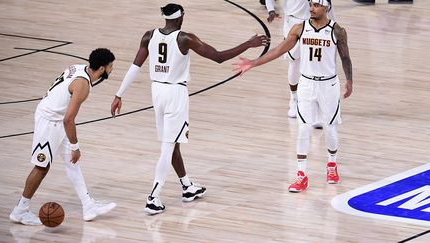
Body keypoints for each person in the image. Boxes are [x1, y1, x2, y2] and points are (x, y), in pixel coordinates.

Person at [110, 3, 269, 215]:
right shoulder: (185, 38)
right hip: (175, 94)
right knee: (168, 146)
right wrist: (248, 44)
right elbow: (219, 57)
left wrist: (119, 94)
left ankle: (187, 186)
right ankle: (153, 198)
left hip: (156, 92)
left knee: (172, 143)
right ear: (181, 17)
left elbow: (134, 67)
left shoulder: (149, 35)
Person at [234, 0, 353, 192]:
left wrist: (349, 81)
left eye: (316, 5)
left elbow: (346, 57)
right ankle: (301, 175)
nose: (311, 8)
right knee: (303, 128)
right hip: (306, 84)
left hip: (328, 84)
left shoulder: (338, 31)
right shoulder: (299, 29)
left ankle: (332, 164)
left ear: (327, 7)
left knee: (330, 128)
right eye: (311, 4)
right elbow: (279, 50)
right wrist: (254, 63)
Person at [10, 48, 117, 225]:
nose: (112, 69)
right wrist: (75, 146)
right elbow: (69, 119)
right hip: (50, 122)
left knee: (72, 163)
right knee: (41, 167)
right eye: (111, 66)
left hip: (56, 119)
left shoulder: (79, 67)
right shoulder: (82, 86)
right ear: (102, 69)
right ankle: (20, 210)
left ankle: (88, 205)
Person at [265, 0, 335, 129]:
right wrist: (271, 10)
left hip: (315, 22)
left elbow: (328, 3)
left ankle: (316, 107)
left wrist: (334, 25)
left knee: (315, 62)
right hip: (293, 23)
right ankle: (294, 98)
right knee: (294, 62)